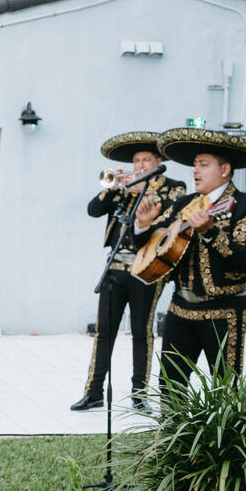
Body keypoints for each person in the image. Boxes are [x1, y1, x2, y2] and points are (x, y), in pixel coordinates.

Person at [134, 129, 246, 388]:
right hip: (180, 307)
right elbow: (154, 241)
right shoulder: (185, 203)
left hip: (224, 312)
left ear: (225, 169)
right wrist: (143, 225)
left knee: (225, 389)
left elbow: (244, 260)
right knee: (170, 387)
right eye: (195, 165)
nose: (195, 170)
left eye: (204, 165)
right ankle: (171, 430)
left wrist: (210, 231)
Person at [71, 132, 186, 412]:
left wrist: (144, 194)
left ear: (159, 161)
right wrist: (112, 188)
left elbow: (170, 221)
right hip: (115, 267)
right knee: (104, 333)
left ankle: (139, 393)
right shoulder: (123, 187)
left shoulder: (174, 188)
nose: (141, 164)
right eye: (137, 160)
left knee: (141, 332)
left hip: (147, 268)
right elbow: (93, 210)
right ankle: (94, 391)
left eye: (146, 159)